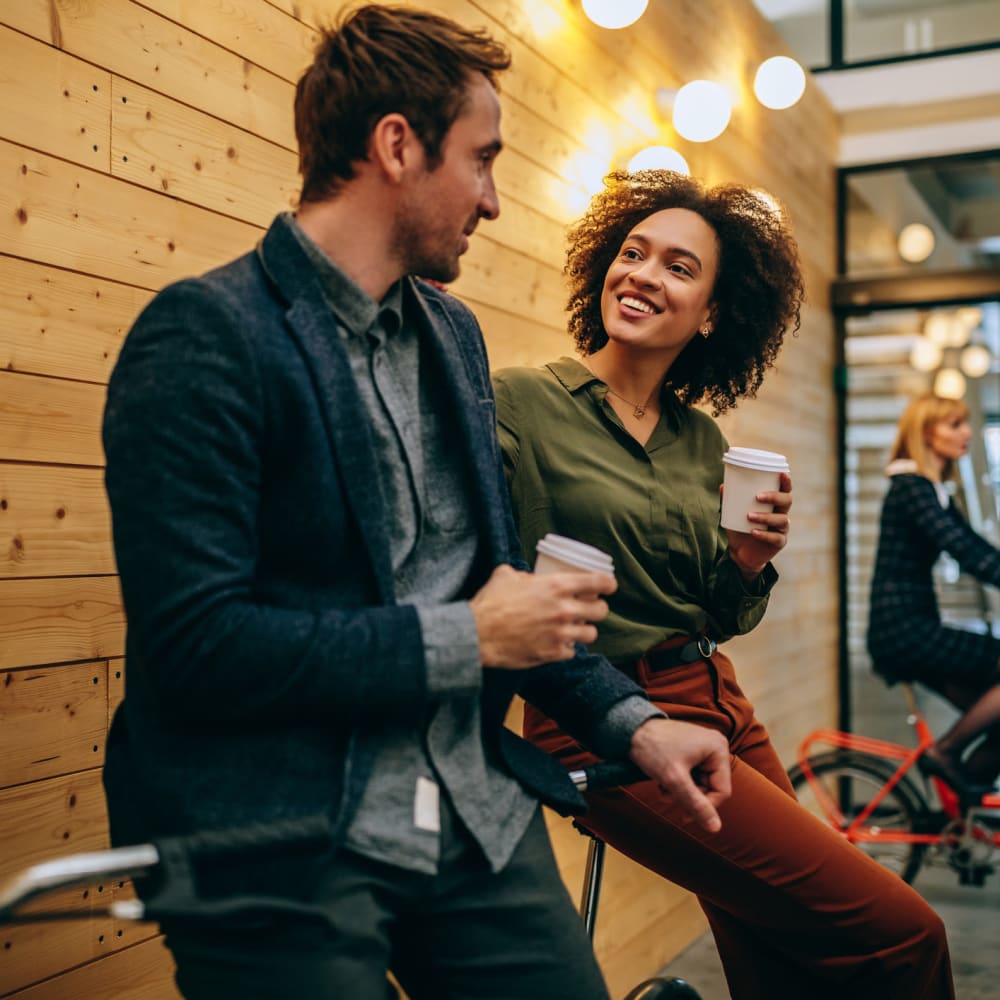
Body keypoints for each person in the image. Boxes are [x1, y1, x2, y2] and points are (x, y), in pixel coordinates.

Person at [100, 8, 733, 1000]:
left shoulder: (453, 335)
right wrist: (462, 638)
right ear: (396, 145)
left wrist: (634, 722)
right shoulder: (204, 337)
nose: (490, 200)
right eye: (481, 160)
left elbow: (497, 597)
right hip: (284, 827)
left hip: (471, 807)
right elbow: (195, 647)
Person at [493, 169, 954, 1000]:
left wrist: (745, 560)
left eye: (677, 266)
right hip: (604, 717)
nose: (640, 274)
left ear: (711, 314)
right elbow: (488, 568)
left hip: (719, 702)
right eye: (632, 253)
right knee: (904, 933)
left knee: (776, 953)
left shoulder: (702, 442)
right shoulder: (521, 403)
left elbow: (715, 614)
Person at [868, 393, 1000, 799]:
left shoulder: (934, 490)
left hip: (914, 628)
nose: (966, 433)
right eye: (955, 425)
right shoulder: (911, 487)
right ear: (925, 433)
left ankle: (964, 821)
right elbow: (960, 547)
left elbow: (975, 545)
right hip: (903, 631)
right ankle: (944, 752)